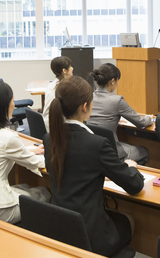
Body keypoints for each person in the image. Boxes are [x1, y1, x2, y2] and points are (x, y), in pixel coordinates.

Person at [44, 76, 144, 257]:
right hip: (89, 234)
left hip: (59, 227)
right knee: (128, 220)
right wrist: (131, 167)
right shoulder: (96, 144)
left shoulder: (50, 138)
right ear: (84, 106)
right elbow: (134, 186)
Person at [0, 81, 50, 224]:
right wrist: (56, 158)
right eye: (12, 100)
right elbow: (37, 163)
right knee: (44, 192)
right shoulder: (7, 138)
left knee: (25, 187)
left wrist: (29, 150)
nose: (13, 104)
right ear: (3, 106)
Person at [88, 63, 152, 164]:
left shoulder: (88, 97)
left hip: (92, 151)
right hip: (111, 153)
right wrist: (150, 118)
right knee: (143, 151)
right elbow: (141, 123)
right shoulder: (116, 100)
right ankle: (126, 173)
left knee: (125, 144)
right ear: (113, 81)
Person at [41, 56, 73, 132]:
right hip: (56, 127)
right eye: (70, 66)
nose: (72, 68)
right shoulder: (64, 88)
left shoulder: (51, 85)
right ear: (64, 70)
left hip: (46, 123)